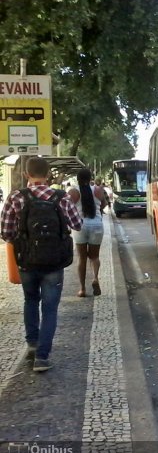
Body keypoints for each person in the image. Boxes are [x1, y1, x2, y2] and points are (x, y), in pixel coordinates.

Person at [1, 157, 82, 372]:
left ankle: (32, 344)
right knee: (50, 309)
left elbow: (6, 232)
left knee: (30, 301)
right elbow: (78, 224)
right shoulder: (61, 197)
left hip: (26, 261)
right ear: (48, 175)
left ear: (26, 174)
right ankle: (42, 357)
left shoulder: (16, 197)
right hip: (54, 262)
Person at [68, 168, 107, 298]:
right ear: (90, 178)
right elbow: (104, 204)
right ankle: (95, 278)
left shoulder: (73, 191)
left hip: (80, 226)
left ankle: (82, 289)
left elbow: (68, 208)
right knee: (94, 257)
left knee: (82, 258)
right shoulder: (98, 190)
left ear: (77, 179)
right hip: (96, 225)